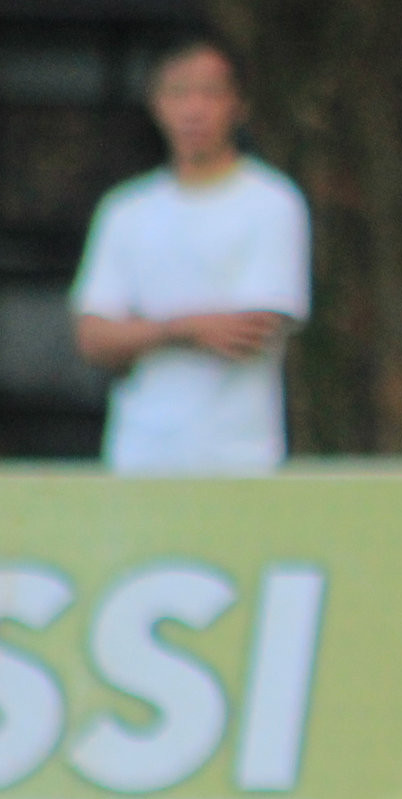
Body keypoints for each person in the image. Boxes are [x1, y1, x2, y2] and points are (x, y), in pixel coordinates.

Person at [70, 31, 309, 474]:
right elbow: (93, 336)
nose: (194, 109)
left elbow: (252, 329)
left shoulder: (272, 202)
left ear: (239, 104)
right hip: (139, 455)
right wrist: (186, 328)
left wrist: (139, 332)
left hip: (239, 457)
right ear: (156, 104)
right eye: (178, 92)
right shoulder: (125, 210)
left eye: (210, 93)